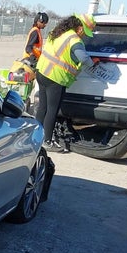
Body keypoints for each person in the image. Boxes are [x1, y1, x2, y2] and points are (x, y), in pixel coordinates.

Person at [35, 13, 98, 151]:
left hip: (42, 71)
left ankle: (35, 137)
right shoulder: (75, 40)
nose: (85, 35)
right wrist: (93, 62)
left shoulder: (59, 32)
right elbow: (83, 58)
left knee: (42, 108)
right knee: (52, 110)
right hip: (55, 77)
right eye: (85, 32)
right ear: (80, 28)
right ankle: (47, 141)